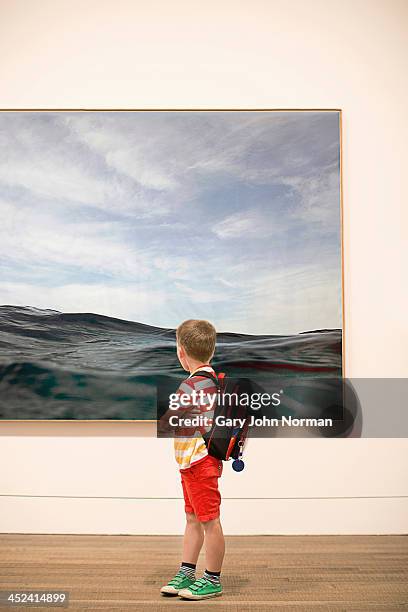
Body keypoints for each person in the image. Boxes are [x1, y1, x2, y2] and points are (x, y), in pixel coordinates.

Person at [160, 319, 224, 600]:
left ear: (181, 352)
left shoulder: (191, 385)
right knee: (193, 518)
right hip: (194, 462)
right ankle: (187, 571)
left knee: (209, 521)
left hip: (199, 462)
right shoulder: (213, 381)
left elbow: (166, 423)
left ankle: (212, 579)